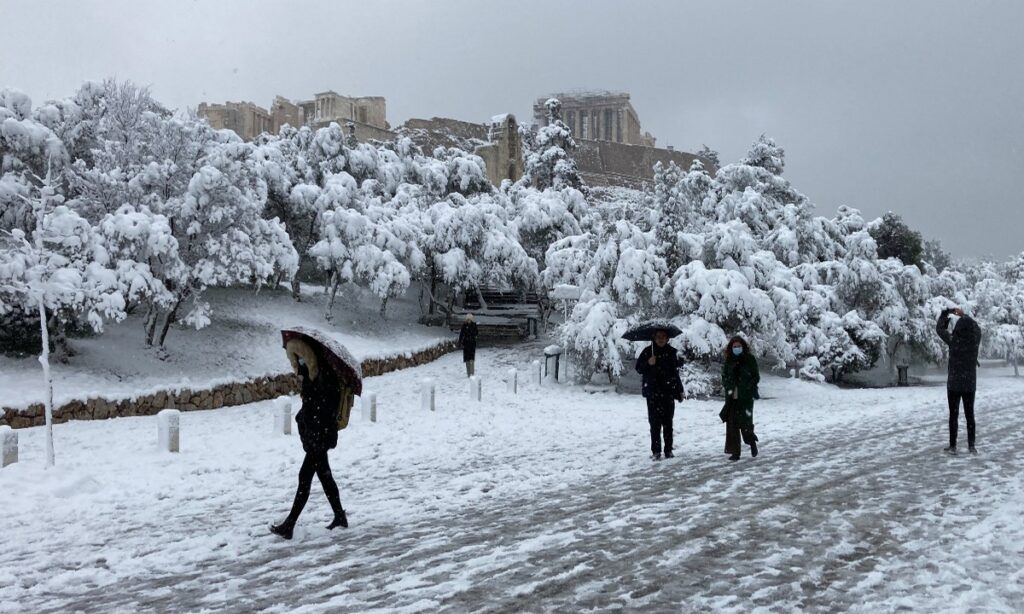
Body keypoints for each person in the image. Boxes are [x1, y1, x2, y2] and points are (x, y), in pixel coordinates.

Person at [272, 339, 347, 539]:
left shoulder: (327, 377)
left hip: (320, 436)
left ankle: (290, 524)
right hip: (315, 435)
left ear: (309, 358)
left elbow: (326, 408)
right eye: (296, 360)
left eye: (301, 358)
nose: (299, 364)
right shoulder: (311, 377)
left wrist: (309, 412)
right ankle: (339, 516)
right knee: (324, 475)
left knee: (304, 478)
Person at [936, 307, 982, 455]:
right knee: (970, 415)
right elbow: (977, 328)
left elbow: (939, 329)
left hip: (954, 384)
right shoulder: (974, 341)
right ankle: (971, 446)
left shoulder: (954, 341)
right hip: (969, 384)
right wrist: (965, 315)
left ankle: (953, 446)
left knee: (953, 416)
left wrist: (945, 313)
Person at [635, 329, 684, 460]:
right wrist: (648, 363)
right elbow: (638, 368)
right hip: (653, 394)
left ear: (667, 338)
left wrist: (679, 390)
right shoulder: (647, 352)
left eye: (663, 337)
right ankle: (656, 451)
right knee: (654, 424)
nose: (661, 339)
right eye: (658, 337)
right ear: (654, 338)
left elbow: (676, 372)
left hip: (668, 393)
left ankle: (668, 450)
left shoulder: (672, 352)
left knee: (668, 424)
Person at [720, 336, 760, 462]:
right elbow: (724, 375)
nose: (736, 348)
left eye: (738, 346)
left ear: (743, 346)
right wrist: (728, 385)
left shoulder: (750, 359)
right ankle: (735, 452)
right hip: (732, 396)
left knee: (745, 423)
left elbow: (756, 376)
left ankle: (751, 442)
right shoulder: (729, 360)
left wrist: (748, 386)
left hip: (745, 397)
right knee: (732, 424)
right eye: (734, 346)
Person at [458, 313, 478, 377]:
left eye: (469, 319)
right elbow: (461, 334)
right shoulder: (464, 325)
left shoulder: (474, 325)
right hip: (466, 344)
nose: (468, 320)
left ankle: (471, 373)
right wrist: (460, 342)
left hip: (471, 343)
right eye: (468, 319)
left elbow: (476, 333)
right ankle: (469, 373)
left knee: (471, 359)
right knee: (467, 359)